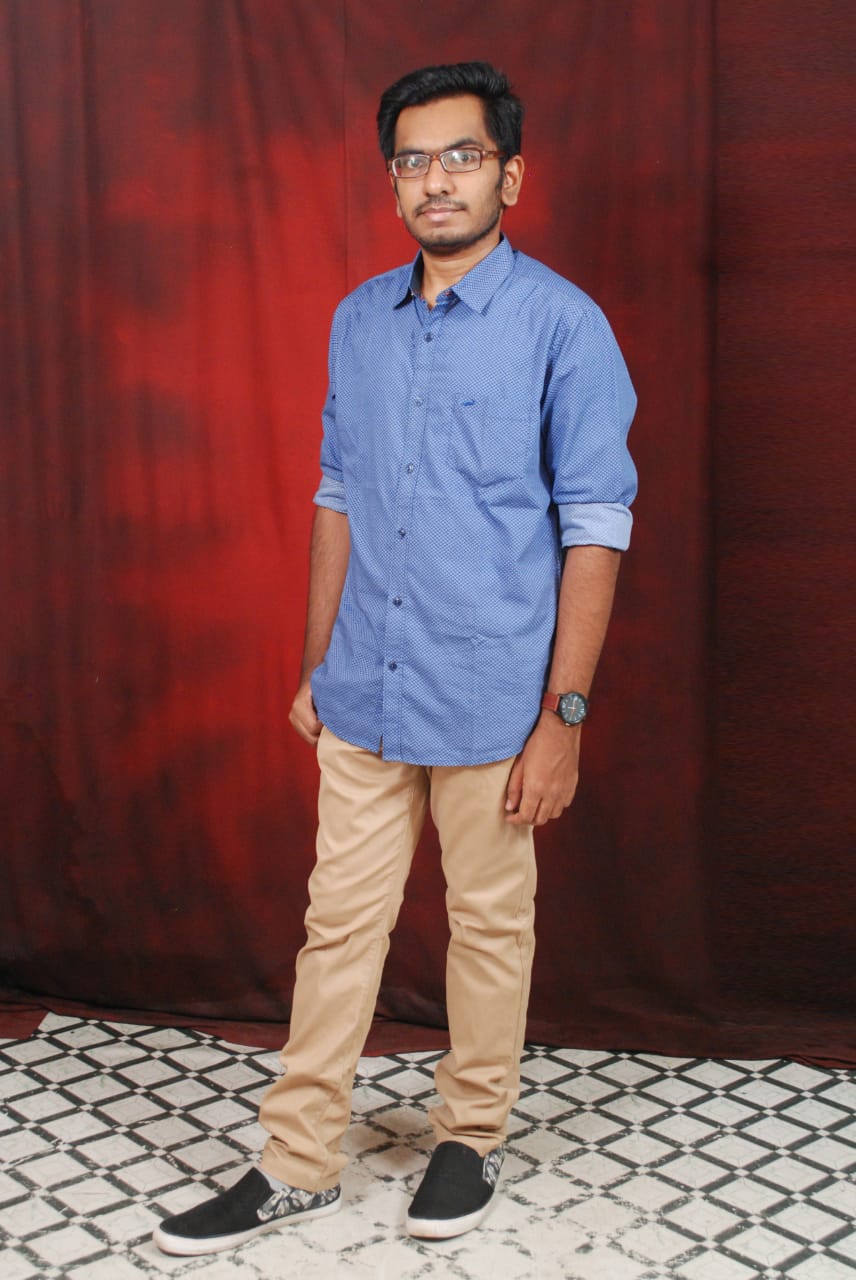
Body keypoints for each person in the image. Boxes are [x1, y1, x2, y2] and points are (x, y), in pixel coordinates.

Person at [153, 60, 636, 1257]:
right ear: (392, 181)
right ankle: (294, 1160)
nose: (435, 181)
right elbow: (338, 496)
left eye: (461, 155)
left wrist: (564, 714)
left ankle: (469, 1136)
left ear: (509, 175)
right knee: (337, 924)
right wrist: (317, 660)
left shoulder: (563, 326)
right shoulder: (356, 319)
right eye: (411, 161)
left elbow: (595, 523)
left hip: (494, 694)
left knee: (489, 924)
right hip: (366, 681)